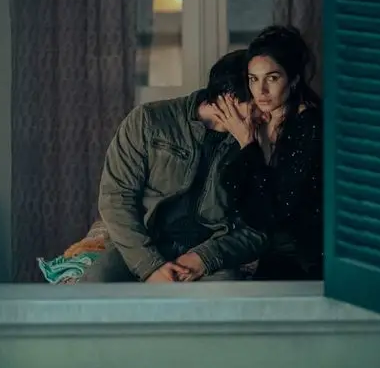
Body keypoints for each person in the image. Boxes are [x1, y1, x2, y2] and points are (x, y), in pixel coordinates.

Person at [80, 51, 267, 283]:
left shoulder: (257, 144)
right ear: (229, 98)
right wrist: (150, 266)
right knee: (98, 281)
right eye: (256, 106)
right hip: (144, 244)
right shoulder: (148, 120)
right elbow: (116, 198)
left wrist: (204, 258)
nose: (265, 115)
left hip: (206, 254)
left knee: (225, 290)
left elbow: (257, 229)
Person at [210, 25, 323, 280]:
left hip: (304, 258)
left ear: (293, 79)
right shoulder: (258, 118)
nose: (260, 91)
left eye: (272, 78)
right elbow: (232, 190)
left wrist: (248, 144)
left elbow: (273, 212)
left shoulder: (310, 125)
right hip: (264, 248)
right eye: (253, 79)